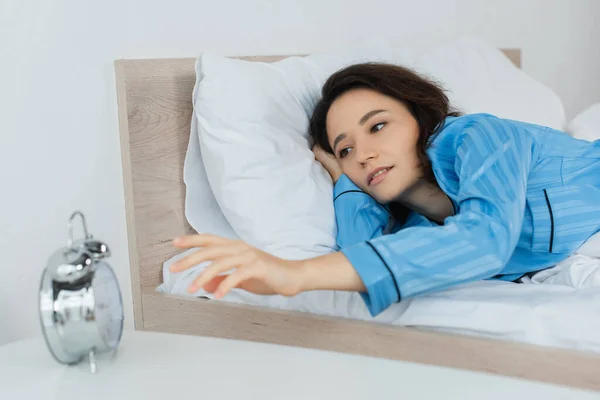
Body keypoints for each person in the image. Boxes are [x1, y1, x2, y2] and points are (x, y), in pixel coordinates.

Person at [169, 62, 600, 317]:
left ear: (420, 118)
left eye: (378, 126)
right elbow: (366, 256)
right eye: (346, 149)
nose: (365, 155)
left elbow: (486, 240)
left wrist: (295, 275)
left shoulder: (479, 137)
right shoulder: (414, 216)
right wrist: (344, 183)